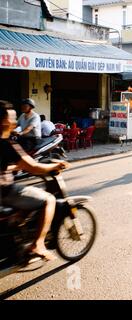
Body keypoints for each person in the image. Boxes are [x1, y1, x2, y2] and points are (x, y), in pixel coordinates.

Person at [0, 100, 69, 261]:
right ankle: (38, 244)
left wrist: (14, 168)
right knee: (49, 199)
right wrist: (54, 166)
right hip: (5, 190)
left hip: (32, 142)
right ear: (4, 121)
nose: (15, 121)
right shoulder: (7, 144)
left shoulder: (32, 119)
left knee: (27, 195)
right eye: (12, 118)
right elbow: (34, 167)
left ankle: (18, 223)